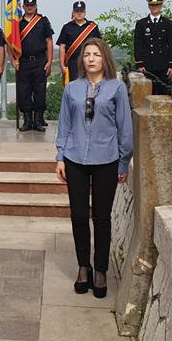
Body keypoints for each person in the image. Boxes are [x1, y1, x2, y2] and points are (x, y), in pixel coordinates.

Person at [55, 39, 132, 299]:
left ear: (104, 59)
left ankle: (100, 269)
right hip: (75, 158)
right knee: (78, 216)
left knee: (101, 218)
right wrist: (60, 156)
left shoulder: (116, 89)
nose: (91, 59)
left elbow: (125, 129)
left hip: (106, 160)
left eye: (96, 55)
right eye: (87, 55)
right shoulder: (72, 89)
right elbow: (64, 125)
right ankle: (83, 267)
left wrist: (123, 161)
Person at [12, 0, 53, 131]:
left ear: (35, 6)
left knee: (39, 91)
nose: (30, 7)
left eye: (32, 5)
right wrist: (13, 60)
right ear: (23, 6)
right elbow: (9, 43)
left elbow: (49, 42)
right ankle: (27, 121)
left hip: (40, 60)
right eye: (27, 5)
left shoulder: (43, 21)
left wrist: (50, 61)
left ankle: (38, 121)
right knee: (24, 92)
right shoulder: (17, 23)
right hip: (23, 62)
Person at [132, 0, 172, 95]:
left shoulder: (167, 23)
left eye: (157, 5)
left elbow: (171, 44)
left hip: (163, 64)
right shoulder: (141, 23)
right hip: (147, 64)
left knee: (163, 92)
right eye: (152, 5)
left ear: (161, 6)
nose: (154, 7)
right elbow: (138, 44)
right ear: (148, 6)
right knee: (148, 92)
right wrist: (139, 63)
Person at [57, 1, 101, 83]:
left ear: (85, 12)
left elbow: (99, 46)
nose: (79, 13)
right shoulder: (66, 27)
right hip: (72, 63)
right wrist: (62, 65)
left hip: (90, 61)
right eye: (77, 11)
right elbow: (62, 46)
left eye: (81, 11)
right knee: (74, 87)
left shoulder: (93, 27)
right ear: (73, 12)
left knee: (91, 86)